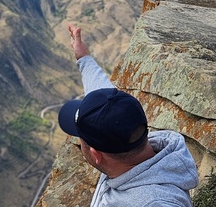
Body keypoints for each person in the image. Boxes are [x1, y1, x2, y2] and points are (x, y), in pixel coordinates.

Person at [58, 23, 198, 207]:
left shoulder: (155, 202)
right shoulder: (131, 147)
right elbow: (106, 101)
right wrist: (84, 58)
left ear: (97, 155)